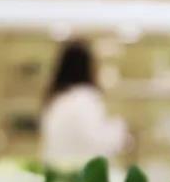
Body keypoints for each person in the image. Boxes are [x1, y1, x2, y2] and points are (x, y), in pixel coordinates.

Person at [41, 40, 126, 171]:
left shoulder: (56, 99)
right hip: (80, 174)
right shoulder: (85, 99)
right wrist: (119, 129)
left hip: (56, 172)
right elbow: (96, 142)